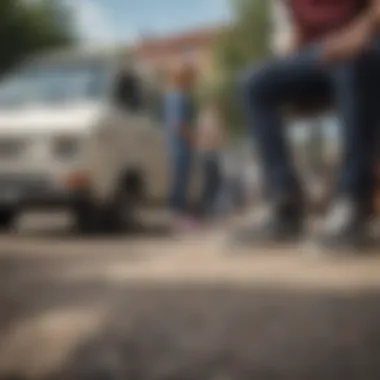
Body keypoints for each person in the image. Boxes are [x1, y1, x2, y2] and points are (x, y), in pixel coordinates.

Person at [234, 0, 380, 251]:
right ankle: (284, 204)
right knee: (254, 83)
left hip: (366, 46)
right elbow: (298, 33)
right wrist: (290, 64)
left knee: (350, 63)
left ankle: (353, 200)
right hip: (322, 55)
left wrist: (357, 35)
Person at [163, 64, 198, 231]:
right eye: (190, 77)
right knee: (179, 182)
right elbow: (177, 124)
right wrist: (192, 138)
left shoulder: (172, 95)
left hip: (176, 144)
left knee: (180, 181)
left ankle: (177, 217)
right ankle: (177, 219)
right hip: (179, 145)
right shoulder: (178, 96)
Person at [197, 98, 226, 221]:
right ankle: (205, 209)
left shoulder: (212, 118)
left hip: (212, 153)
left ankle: (209, 209)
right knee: (211, 182)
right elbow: (209, 135)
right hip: (208, 153)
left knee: (214, 182)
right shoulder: (207, 117)